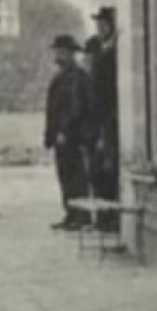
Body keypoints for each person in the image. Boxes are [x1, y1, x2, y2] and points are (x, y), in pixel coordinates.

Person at [43, 34, 94, 231]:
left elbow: (77, 108)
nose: (58, 55)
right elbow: (53, 109)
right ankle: (71, 213)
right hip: (61, 137)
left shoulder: (78, 77)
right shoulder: (60, 77)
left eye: (61, 51)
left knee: (76, 176)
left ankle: (82, 215)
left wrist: (65, 130)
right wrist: (51, 134)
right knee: (65, 175)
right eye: (57, 51)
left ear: (70, 54)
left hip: (74, 136)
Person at [83, 7, 120, 233]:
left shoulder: (112, 55)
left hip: (107, 122)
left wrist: (105, 128)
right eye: (98, 25)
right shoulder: (99, 53)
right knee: (97, 172)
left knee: (107, 171)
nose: (100, 28)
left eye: (104, 24)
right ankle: (102, 219)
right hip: (96, 123)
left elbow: (106, 95)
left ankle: (109, 220)